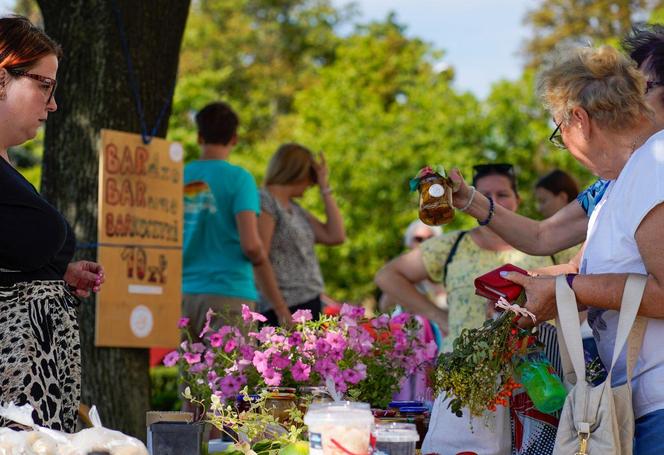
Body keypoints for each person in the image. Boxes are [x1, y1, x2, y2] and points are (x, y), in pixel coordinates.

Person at [501, 45, 664, 454]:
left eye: (560, 132)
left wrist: (569, 289)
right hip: (642, 402)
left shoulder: (654, 164)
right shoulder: (626, 178)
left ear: (580, 119)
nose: (566, 145)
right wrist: (539, 292)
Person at [448, 24, 664, 266]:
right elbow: (545, 238)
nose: (630, 98)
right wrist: (468, 199)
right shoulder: (611, 183)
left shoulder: (655, 164)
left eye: (641, 87)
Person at [375, 163, 555, 454]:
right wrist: (438, 316)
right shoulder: (452, 246)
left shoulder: (545, 243)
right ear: (472, 199)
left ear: (518, 200)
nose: (494, 200)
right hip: (465, 383)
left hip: (537, 378)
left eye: (503, 193)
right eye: (485, 194)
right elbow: (387, 276)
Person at [0, 16, 105, 432]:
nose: (53, 103)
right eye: (44, 85)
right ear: (2, 77)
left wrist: (56, 273)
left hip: (32, 381)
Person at [183, 102, 275, 337]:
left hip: (182, 294)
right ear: (234, 138)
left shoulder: (178, 176)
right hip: (229, 293)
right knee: (231, 372)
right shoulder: (240, 179)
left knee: (191, 372)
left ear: (199, 136)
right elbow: (251, 245)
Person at [257, 143, 345, 325]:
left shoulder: (295, 208)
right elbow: (260, 257)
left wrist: (325, 187)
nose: (311, 184)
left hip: (308, 300)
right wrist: (281, 310)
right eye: (311, 176)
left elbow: (335, 236)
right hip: (282, 307)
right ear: (297, 172)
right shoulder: (265, 201)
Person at [378, 220, 445, 316]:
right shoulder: (400, 273)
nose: (425, 243)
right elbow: (385, 307)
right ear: (409, 243)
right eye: (418, 239)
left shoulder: (450, 268)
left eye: (430, 238)